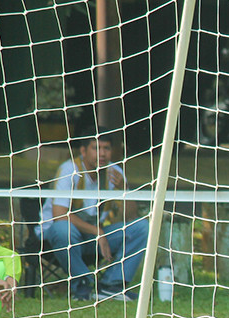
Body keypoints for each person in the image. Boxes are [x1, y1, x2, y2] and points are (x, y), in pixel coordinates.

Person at [39, 129, 150, 302]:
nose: (102, 153)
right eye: (96, 148)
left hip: (94, 237)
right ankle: (83, 282)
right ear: (83, 151)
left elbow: (131, 216)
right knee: (62, 229)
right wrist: (98, 232)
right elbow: (59, 215)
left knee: (141, 227)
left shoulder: (115, 172)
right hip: (59, 238)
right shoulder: (70, 170)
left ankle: (112, 285)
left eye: (106, 148)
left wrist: (124, 191)